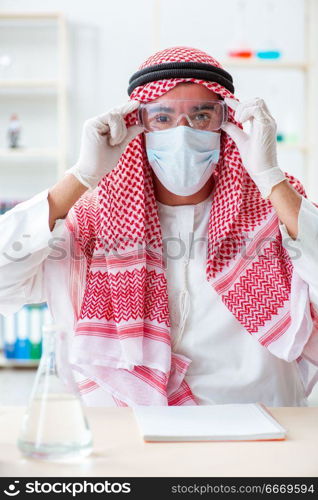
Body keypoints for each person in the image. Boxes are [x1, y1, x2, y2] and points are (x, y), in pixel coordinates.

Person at [1, 46, 318, 407]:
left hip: (260, 423)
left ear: (225, 124)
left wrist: (270, 178)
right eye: (163, 119)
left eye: (201, 116)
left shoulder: (271, 207)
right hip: (132, 434)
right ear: (140, 126)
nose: (182, 134)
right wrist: (80, 177)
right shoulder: (94, 217)